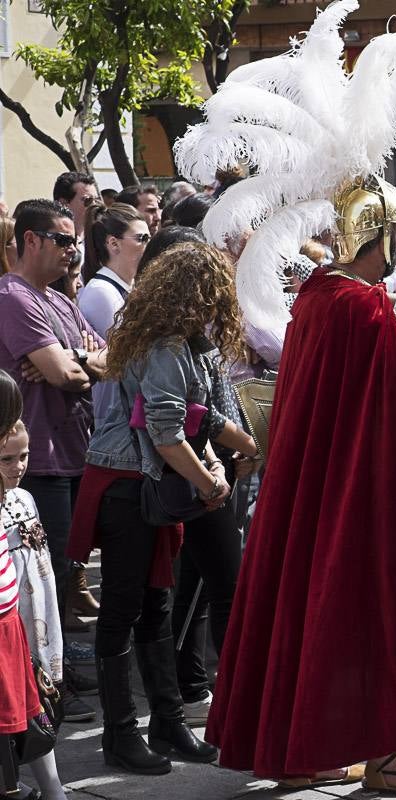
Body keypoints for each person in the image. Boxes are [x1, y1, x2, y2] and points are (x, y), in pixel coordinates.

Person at [173, 10, 396, 791]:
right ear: (378, 236)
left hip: (314, 491)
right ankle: (390, 754)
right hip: (369, 491)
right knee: (378, 609)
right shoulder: (366, 305)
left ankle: (304, 749)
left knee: (313, 608)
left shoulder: (316, 297)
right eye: (395, 236)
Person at [66, 243, 251, 775]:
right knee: (125, 609)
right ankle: (123, 735)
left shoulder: (178, 342)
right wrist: (211, 483)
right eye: (214, 293)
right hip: (128, 487)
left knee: (156, 606)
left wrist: (212, 468)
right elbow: (169, 433)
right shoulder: (165, 345)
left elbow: (196, 421)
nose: (220, 305)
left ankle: (165, 725)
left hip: (144, 485)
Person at [0, 200, 107, 638]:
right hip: (37, 461)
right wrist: (76, 366)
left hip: (74, 450)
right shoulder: (12, 297)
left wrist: (77, 357)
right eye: (63, 240)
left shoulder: (62, 300)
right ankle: (46, 680)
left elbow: (113, 357)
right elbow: (62, 375)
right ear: (30, 240)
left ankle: (56, 669)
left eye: (74, 242)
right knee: (45, 575)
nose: (72, 251)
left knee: (64, 568)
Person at [1, 420, 68, 800]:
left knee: (40, 706)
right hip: (11, 625)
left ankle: (51, 787)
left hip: (38, 616)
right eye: (7, 459)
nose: (18, 465)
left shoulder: (25, 498)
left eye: (23, 456)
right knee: (14, 710)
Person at [76, 203, 149, 425]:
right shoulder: (101, 292)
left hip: (134, 410)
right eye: (141, 238)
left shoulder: (131, 286)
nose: (149, 244)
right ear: (113, 243)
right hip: (115, 417)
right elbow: (128, 356)